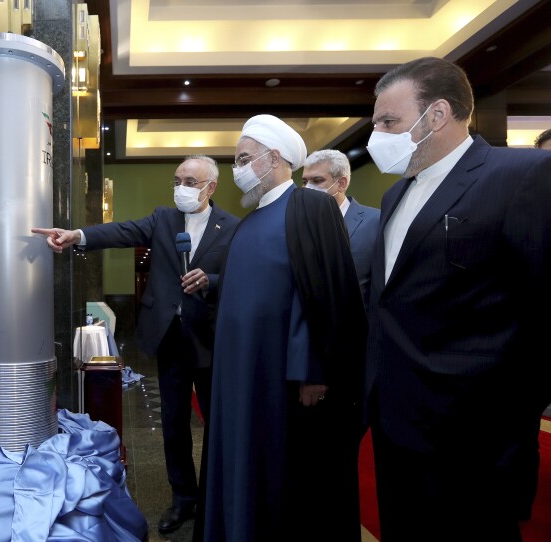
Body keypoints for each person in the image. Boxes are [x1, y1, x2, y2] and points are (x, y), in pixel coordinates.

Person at [364, 56, 551, 541]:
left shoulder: (523, 175)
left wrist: (517, 420)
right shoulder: (393, 196)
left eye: (389, 121)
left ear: (438, 114)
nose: (377, 134)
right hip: (395, 425)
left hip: (474, 441)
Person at [32, 155, 239, 535]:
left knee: (217, 423)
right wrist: (78, 236)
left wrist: (210, 279)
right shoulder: (163, 218)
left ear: (211, 187)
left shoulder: (234, 227)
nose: (181, 187)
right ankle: (183, 499)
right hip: (170, 339)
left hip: (212, 338)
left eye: (190, 181)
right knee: (174, 423)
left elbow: (241, 274)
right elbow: (122, 231)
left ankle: (214, 495)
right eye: (177, 179)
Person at [200, 115, 366, 541]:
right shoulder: (249, 221)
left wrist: (313, 372)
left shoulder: (311, 207)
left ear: (274, 158)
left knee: (279, 471)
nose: (236, 168)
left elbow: (324, 295)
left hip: (281, 377)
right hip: (238, 374)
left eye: (242, 158)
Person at [302, 149, 380, 303]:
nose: (307, 188)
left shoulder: (376, 221)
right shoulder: (297, 224)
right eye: (305, 182)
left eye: (317, 181)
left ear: (341, 184)